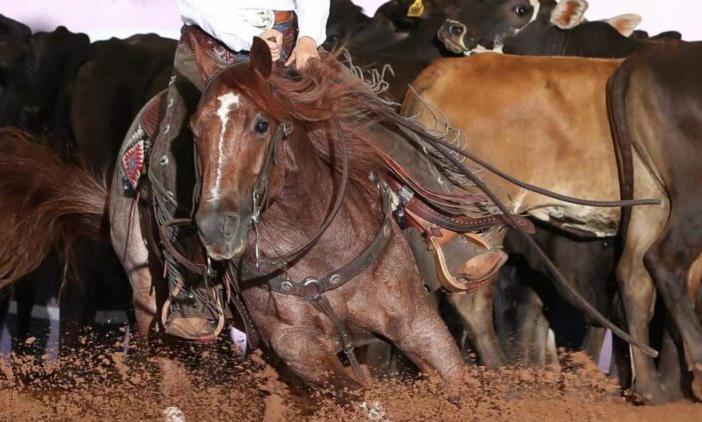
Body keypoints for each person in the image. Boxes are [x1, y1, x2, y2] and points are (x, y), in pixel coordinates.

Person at [147, 0, 506, 340]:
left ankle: (444, 235)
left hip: (288, 46)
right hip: (213, 52)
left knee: (376, 116)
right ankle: (191, 286)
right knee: (175, 150)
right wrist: (247, 38)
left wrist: (307, 38)